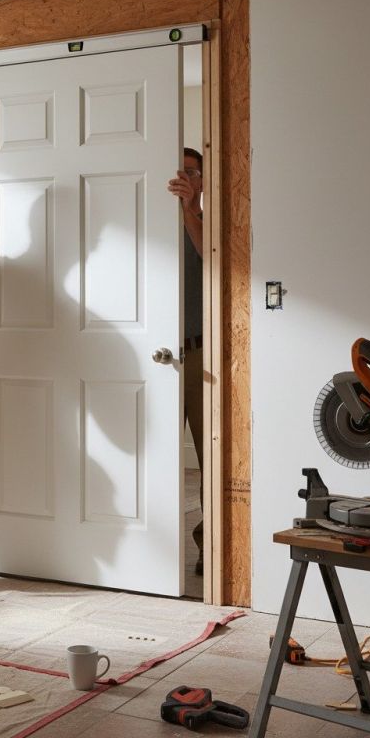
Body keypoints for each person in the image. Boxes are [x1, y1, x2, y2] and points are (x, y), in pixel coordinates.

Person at [167, 148, 204, 575]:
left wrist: (189, 208)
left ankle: (205, 542)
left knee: (206, 454)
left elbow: (210, 256)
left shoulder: (201, 219)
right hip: (160, 354)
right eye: (177, 172)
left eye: (191, 172)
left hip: (197, 354)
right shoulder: (146, 213)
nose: (182, 177)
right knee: (156, 453)